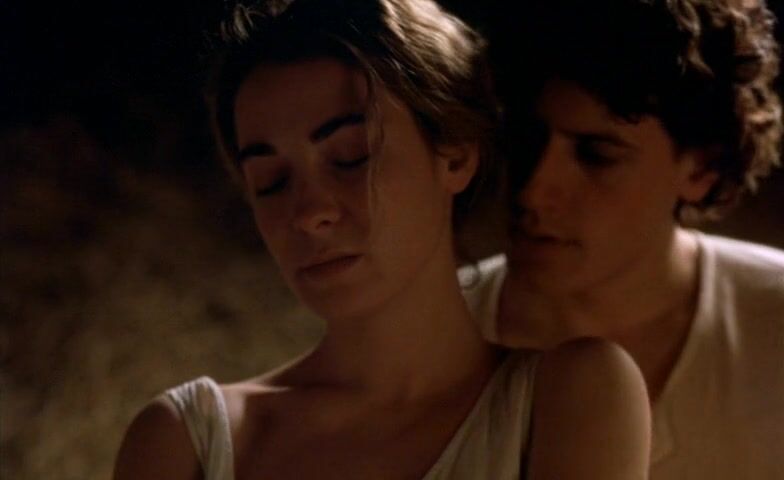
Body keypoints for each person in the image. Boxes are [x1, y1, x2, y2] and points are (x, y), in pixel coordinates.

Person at [112, 1, 650, 479]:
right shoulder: (187, 443)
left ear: (455, 155)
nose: (309, 213)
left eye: (351, 157)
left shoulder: (569, 398)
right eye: (270, 181)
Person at [463, 0, 784, 478]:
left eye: (596, 155)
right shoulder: (425, 340)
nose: (533, 190)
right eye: (527, 136)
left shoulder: (773, 325)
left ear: (701, 168)